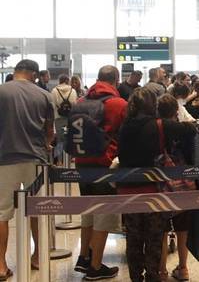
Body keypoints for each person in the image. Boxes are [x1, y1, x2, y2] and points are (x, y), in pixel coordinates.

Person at [117, 89, 196, 282]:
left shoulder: (124, 126)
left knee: (133, 238)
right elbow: (190, 129)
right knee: (154, 237)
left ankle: (136, 277)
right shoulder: (159, 125)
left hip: (127, 189)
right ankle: (153, 275)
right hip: (153, 189)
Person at [0, 60, 53, 280]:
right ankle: (37, 257)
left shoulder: (2, 91)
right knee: (37, 210)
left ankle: (1, 266)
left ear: (16, 72)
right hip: (36, 159)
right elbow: (49, 131)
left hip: (4, 158)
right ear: (33, 74)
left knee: (2, 213)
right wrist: (46, 145)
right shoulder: (44, 95)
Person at [74, 65, 127, 280]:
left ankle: (84, 257)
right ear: (116, 79)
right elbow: (126, 135)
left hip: (81, 164)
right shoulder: (119, 104)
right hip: (105, 165)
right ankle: (96, 267)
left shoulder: (81, 102)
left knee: (88, 210)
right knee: (104, 215)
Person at [155, 94, 197, 282]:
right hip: (185, 181)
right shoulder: (186, 130)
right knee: (183, 227)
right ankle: (183, 268)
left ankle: (162, 271)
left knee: (162, 228)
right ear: (176, 111)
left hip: (162, 181)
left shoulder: (155, 128)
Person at [52, 74, 77, 153]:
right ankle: (68, 157)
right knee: (68, 137)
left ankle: (59, 160)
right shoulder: (72, 91)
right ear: (67, 81)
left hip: (58, 118)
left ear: (60, 81)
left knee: (60, 139)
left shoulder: (54, 90)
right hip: (69, 118)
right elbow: (75, 104)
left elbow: (52, 105)